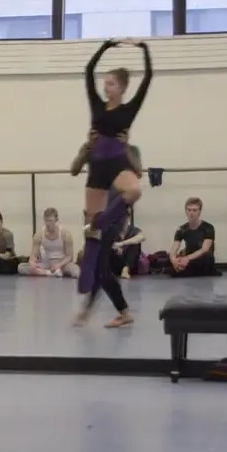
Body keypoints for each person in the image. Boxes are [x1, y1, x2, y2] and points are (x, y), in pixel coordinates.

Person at [76, 38, 152, 291]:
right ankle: (86, 279)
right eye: (105, 83)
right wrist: (106, 46)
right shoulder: (97, 104)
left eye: (110, 83)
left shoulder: (129, 110)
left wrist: (143, 48)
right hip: (97, 166)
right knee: (91, 227)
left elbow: (148, 79)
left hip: (117, 162)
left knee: (135, 191)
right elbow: (88, 71)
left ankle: (105, 218)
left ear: (121, 88)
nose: (105, 87)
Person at [73, 208, 135, 329]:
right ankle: (122, 312)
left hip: (108, 223)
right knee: (101, 272)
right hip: (105, 223)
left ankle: (122, 313)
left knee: (102, 273)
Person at [19, 208, 78, 278]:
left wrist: (59, 265)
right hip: (47, 264)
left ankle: (56, 271)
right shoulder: (39, 234)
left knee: (75, 270)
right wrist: (32, 262)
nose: (48, 224)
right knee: (21, 267)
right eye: (46, 221)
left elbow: (69, 256)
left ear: (56, 220)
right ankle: (49, 273)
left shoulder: (65, 234)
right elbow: (34, 254)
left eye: (50, 221)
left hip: (62, 264)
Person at [167, 197, 218, 278]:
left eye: (194, 210)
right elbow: (174, 248)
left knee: (207, 257)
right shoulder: (182, 229)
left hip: (202, 259)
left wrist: (187, 258)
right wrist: (174, 260)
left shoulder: (208, 227)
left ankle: (187, 270)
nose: (191, 213)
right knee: (169, 259)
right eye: (189, 210)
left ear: (199, 212)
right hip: (189, 259)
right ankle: (183, 268)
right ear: (186, 211)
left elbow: (204, 249)